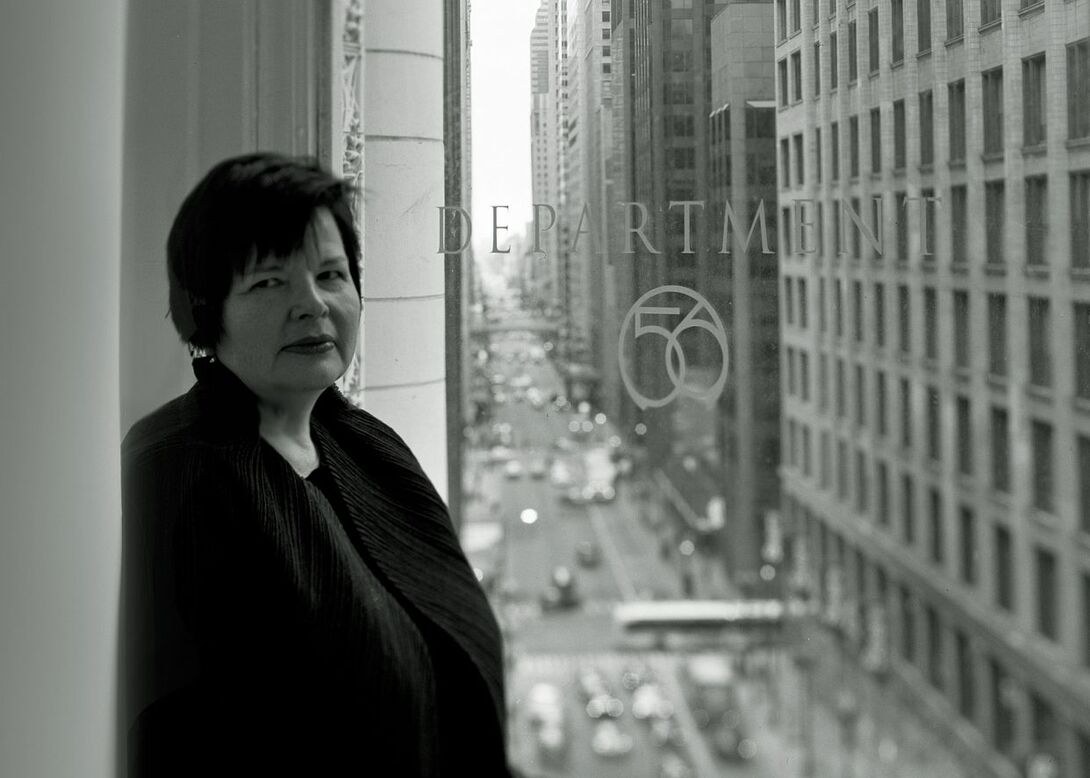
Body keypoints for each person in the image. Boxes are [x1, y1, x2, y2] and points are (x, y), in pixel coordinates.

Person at [120, 153, 514, 776]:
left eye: (330, 274)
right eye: (268, 282)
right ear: (205, 310)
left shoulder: (358, 440)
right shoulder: (175, 474)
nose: (312, 304)